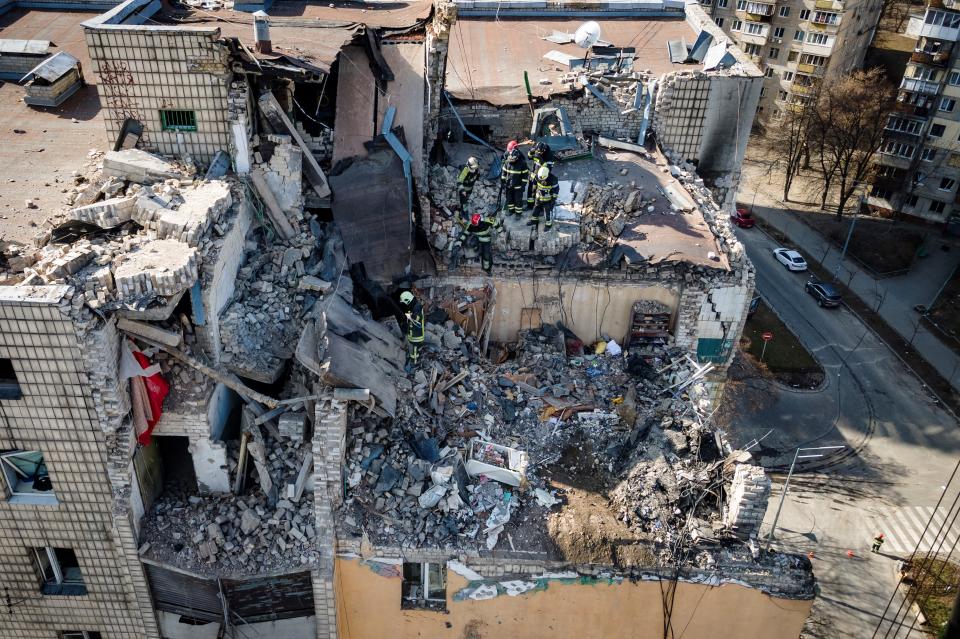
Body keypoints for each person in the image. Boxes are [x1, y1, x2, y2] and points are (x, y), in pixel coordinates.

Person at [500, 141, 528, 218]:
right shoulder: (507, 162)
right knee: (509, 199)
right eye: (510, 159)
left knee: (518, 200)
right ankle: (511, 210)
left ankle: (518, 214)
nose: (511, 161)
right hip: (508, 185)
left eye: (513, 159)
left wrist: (523, 186)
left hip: (518, 187)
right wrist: (503, 182)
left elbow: (525, 176)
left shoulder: (522, 163)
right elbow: (504, 173)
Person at [399, 291, 425, 373]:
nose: (405, 304)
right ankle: (413, 359)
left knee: (414, 352)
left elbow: (417, 318)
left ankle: (413, 365)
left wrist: (409, 316)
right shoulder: (414, 305)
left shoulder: (417, 306)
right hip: (413, 333)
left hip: (416, 335)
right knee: (413, 349)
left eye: (405, 302)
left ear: (408, 300)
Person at [529, 165, 560, 230]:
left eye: (543, 178)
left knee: (547, 212)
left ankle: (548, 225)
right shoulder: (538, 176)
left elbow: (556, 190)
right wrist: (533, 192)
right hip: (538, 197)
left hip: (548, 200)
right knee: (535, 209)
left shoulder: (553, 179)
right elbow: (534, 184)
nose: (542, 179)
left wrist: (553, 200)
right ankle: (533, 220)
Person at [526, 142, 555, 209]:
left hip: (542, 177)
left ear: (544, 150)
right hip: (534, 173)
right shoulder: (536, 149)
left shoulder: (549, 156)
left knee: (540, 192)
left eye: (540, 152)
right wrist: (531, 151)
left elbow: (548, 169)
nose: (538, 153)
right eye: (537, 151)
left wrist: (541, 161)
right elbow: (529, 157)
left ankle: (539, 208)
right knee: (531, 189)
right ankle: (529, 205)